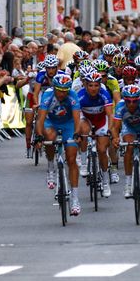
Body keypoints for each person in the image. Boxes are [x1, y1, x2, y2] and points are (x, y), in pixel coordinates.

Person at [34, 74, 82, 215]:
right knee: (49, 137)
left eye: (65, 90)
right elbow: (40, 119)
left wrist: (77, 134)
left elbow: (77, 119)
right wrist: (39, 137)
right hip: (51, 122)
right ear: (54, 87)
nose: (62, 93)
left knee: (72, 160)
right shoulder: (48, 95)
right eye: (59, 90)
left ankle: (75, 198)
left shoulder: (72, 95)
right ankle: (50, 167)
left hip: (68, 124)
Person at [110, 85, 140, 202]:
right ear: (124, 100)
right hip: (129, 128)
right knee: (129, 148)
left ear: (139, 99)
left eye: (134, 101)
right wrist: (115, 138)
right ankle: (128, 184)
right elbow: (115, 127)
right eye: (128, 101)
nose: (131, 104)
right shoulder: (120, 106)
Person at [77, 71, 113, 197]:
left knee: (102, 150)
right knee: (83, 130)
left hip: (101, 121)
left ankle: (105, 181)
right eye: (90, 85)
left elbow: (110, 114)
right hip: (86, 119)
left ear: (100, 85)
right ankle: (83, 162)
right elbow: (76, 116)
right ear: (85, 85)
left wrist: (112, 129)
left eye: (96, 85)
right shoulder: (80, 95)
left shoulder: (104, 94)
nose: (93, 88)